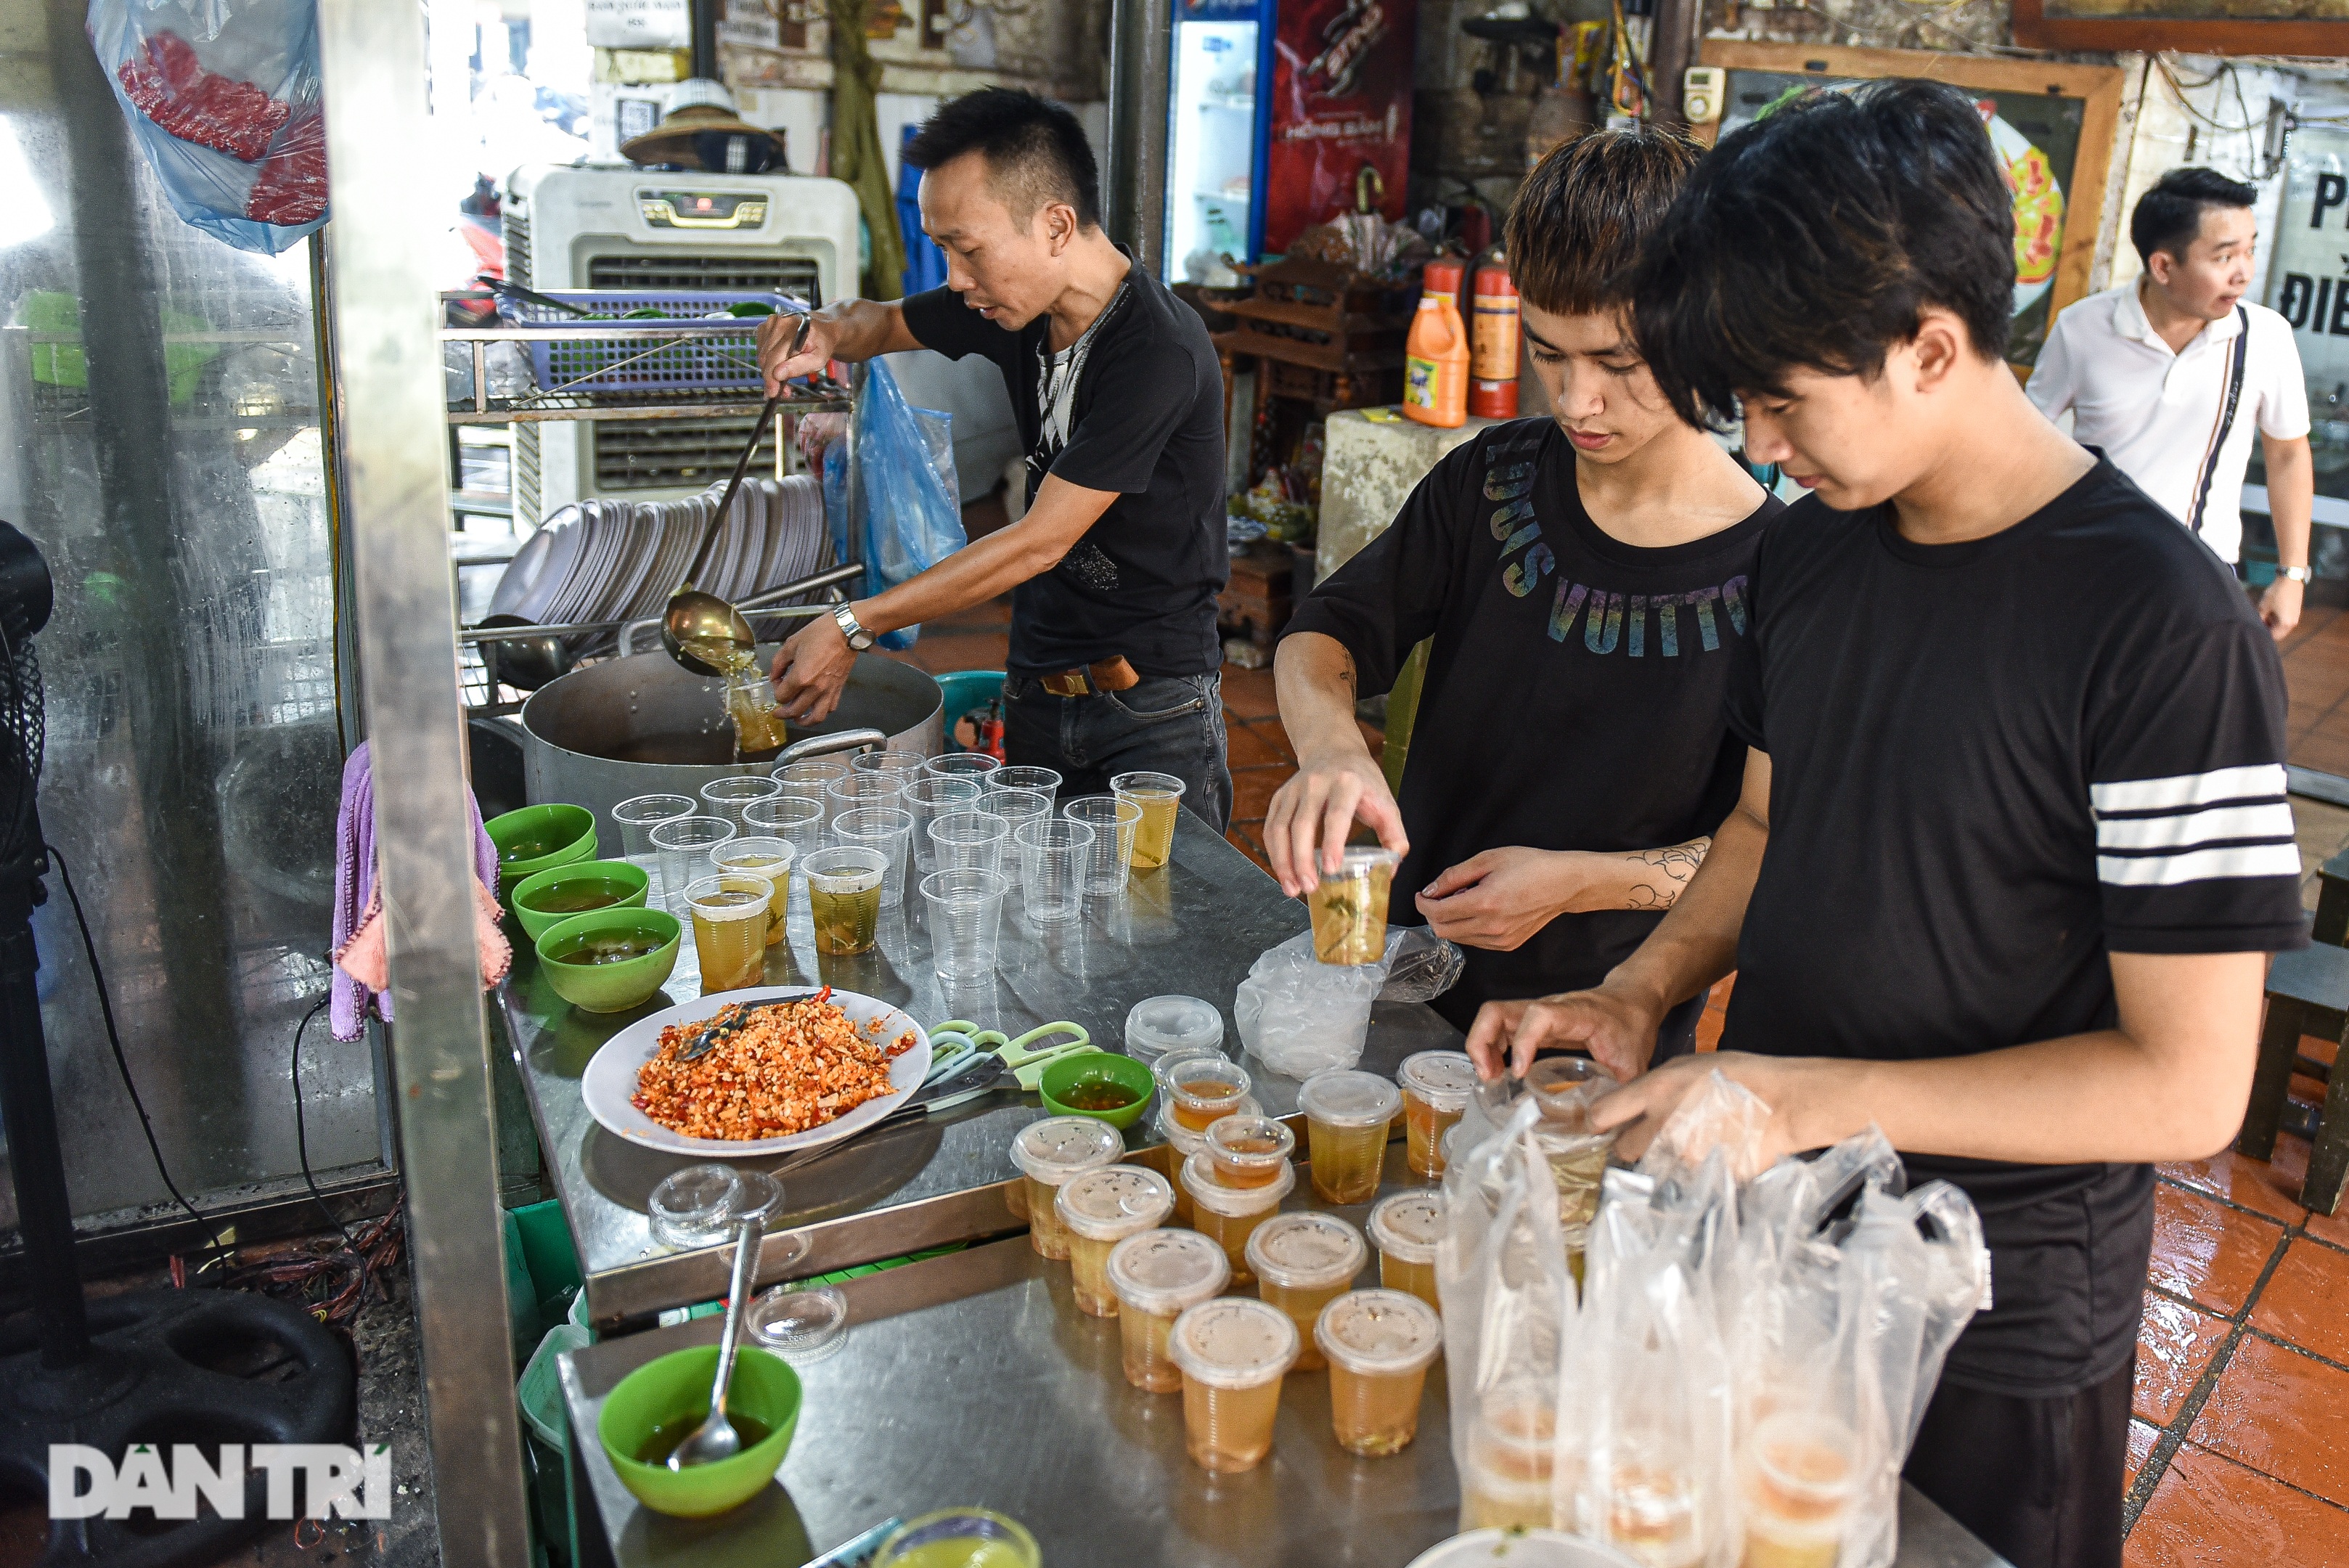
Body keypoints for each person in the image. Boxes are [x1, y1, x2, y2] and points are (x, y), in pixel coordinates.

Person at [1468, 81, 2307, 1568]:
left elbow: (2187, 1088)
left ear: (1930, 347)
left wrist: (1796, 1096)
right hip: (1777, 1230)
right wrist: (1640, 989)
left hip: (1989, 1301)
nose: (1767, 444)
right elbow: (1766, 825)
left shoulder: (2156, 623)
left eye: (1786, 399)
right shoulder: (1807, 554)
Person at [1261, 128, 1778, 1045]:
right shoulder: (1492, 480)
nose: (1576, 401)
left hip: (1596, 1025)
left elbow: (1767, 844)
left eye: (1619, 365)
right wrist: (1330, 748)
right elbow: (1326, 630)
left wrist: (1581, 881)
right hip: (1401, 981)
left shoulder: (1778, 575)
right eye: (1548, 354)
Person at [755, 88, 1231, 820]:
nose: (953, 277)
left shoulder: (1158, 350)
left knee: (1161, 922)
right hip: (1038, 683)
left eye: (966, 248)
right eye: (943, 246)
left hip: (1150, 714)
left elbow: (1037, 543)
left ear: (1054, 225)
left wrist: (856, 623)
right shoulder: (1012, 305)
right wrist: (816, 329)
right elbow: (879, 323)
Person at [2029, 166, 2315, 640]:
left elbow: (2287, 455)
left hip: (2202, 577)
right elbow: (2027, 440)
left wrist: (2293, 575)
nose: (2244, 272)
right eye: (2225, 257)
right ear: (2163, 266)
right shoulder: (2081, 327)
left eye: (2250, 250)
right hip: (2086, 567)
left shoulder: (2265, 337)